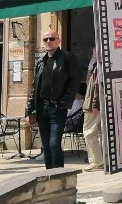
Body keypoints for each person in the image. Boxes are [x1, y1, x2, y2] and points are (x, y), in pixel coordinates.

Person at [26, 30, 82, 169]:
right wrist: (29, 110)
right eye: (46, 39)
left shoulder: (67, 57)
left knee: (54, 143)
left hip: (57, 108)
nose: (48, 41)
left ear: (59, 40)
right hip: (42, 108)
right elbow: (35, 88)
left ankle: (58, 176)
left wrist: (65, 100)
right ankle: (49, 174)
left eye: (51, 39)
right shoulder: (41, 61)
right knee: (46, 146)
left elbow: (75, 81)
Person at [82, 51, 104, 171]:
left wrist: (95, 104)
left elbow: (96, 87)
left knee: (89, 132)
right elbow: (88, 82)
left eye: (95, 51)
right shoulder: (95, 66)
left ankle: (96, 161)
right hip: (94, 104)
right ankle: (101, 159)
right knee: (100, 132)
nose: (92, 54)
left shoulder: (98, 67)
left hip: (92, 105)